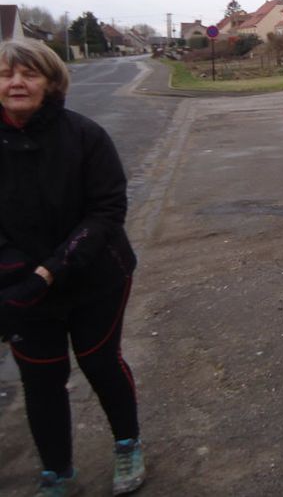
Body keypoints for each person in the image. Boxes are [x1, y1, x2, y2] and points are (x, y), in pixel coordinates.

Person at [0, 39, 146, 496]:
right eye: (6, 74)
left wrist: (49, 271)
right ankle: (57, 472)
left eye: (29, 74)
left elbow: (106, 211)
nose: (16, 83)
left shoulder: (85, 136)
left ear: (51, 82)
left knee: (100, 362)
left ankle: (127, 444)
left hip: (95, 277)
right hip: (18, 287)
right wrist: (16, 273)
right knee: (41, 379)